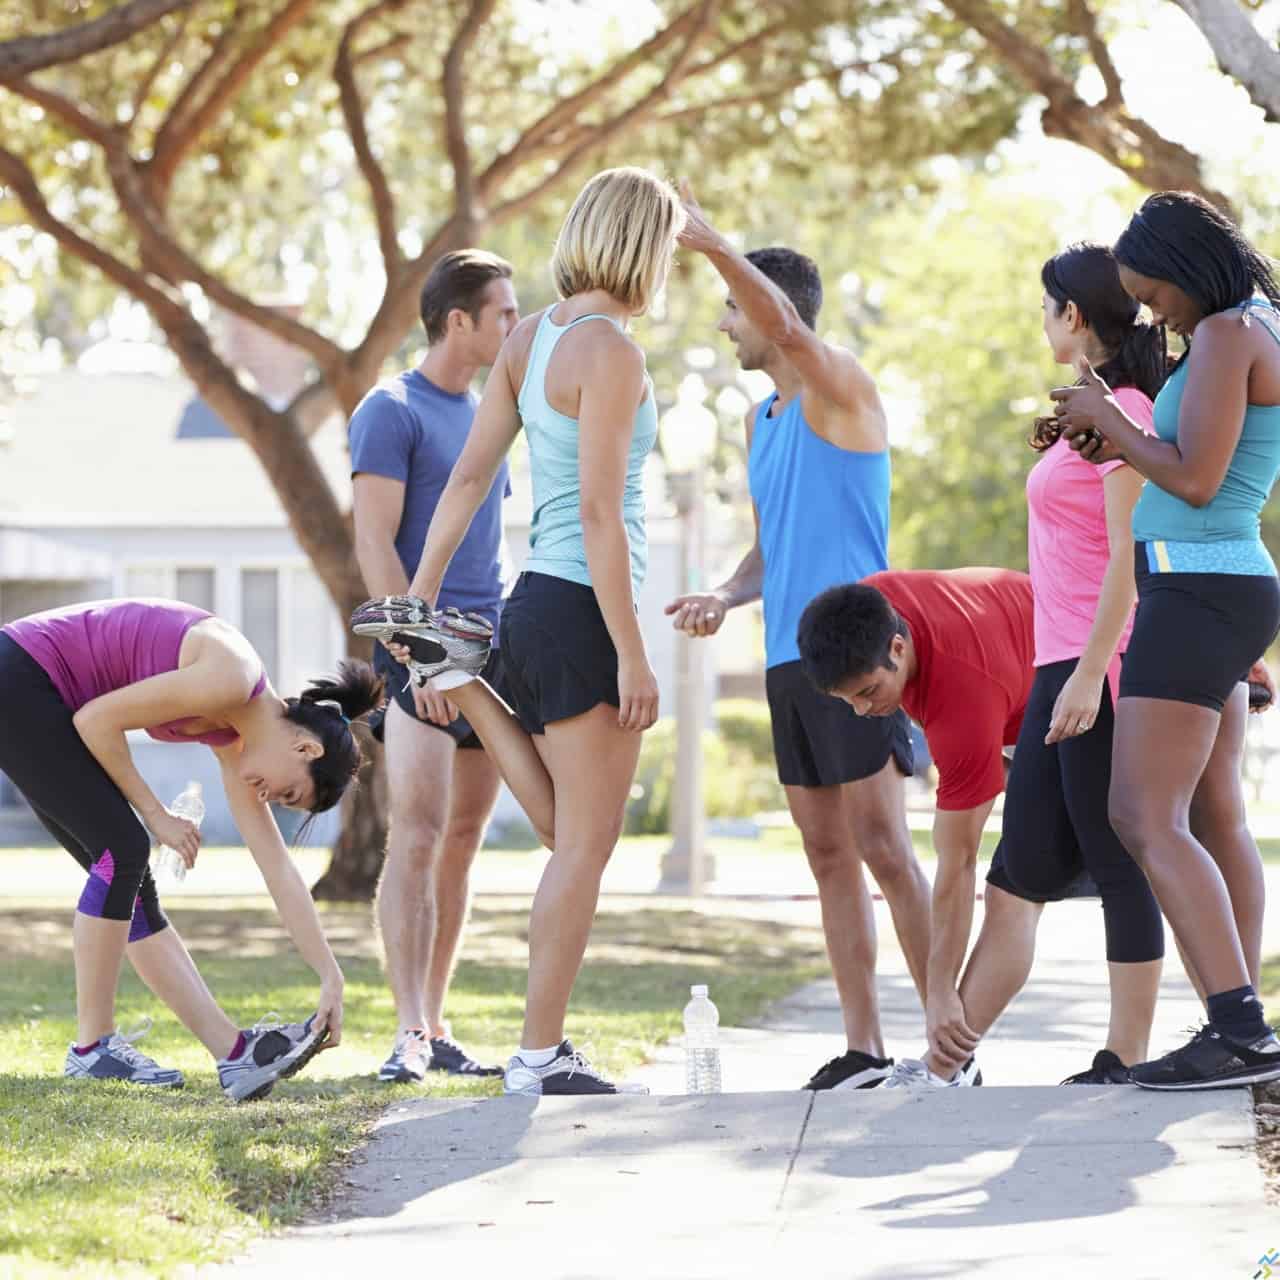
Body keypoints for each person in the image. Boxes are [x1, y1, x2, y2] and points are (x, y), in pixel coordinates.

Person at [352, 166, 685, 1096]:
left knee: (561, 830)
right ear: (643, 249)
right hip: (582, 610)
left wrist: (419, 606)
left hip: (530, 607)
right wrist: (632, 650)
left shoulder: (530, 339)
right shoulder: (612, 353)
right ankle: (538, 1055)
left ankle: (464, 681)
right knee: (584, 847)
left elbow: (466, 482)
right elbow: (600, 516)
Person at [661, 186, 932, 1092]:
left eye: (734, 307)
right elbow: (775, 539)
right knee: (828, 859)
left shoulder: (840, 391)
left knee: (886, 851)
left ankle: (948, 1047)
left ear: (770, 311)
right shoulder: (761, 420)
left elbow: (791, 334)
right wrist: (727, 594)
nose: (729, 325)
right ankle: (866, 1048)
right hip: (789, 660)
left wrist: (712, 243)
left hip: (859, 656)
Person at [881, 244, 1170, 1090]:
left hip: (1098, 670)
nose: (1041, 323)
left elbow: (1128, 556)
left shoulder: (1127, 410)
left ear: (1072, 315)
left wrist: (1087, 676)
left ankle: (1127, 1060)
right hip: (1058, 665)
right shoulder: (1096, 406)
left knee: (1121, 865)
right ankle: (945, 1066)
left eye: (1047, 308)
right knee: (1018, 877)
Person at [1052, 191, 1280, 1090]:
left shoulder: (1229, 334)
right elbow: (1193, 466)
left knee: (1142, 814)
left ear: (1189, 268)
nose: (1153, 314)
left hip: (1203, 586)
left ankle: (1241, 1031)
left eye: (1156, 294)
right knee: (1201, 813)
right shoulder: (1245, 327)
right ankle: (1237, 1024)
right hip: (1205, 584)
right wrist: (1117, 438)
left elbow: (1196, 480)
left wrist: (1114, 423)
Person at [0, 597, 382, 1100]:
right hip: (24, 676)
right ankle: (92, 1049)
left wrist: (330, 975)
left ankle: (233, 1055)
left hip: (35, 691)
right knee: (124, 850)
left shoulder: (234, 731)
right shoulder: (231, 676)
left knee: (128, 877)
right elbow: (96, 721)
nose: (270, 799)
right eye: (289, 793)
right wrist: (157, 815)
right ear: (306, 749)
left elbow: (278, 869)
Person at [349, 248, 520, 1084]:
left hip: (491, 649)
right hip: (421, 649)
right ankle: (407, 1031)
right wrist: (413, 656)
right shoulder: (390, 409)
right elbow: (373, 540)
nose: (515, 327)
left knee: (463, 837)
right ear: (460, 321)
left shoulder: (495, 410)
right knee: (414, 834)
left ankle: (437, 1021)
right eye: (505, 314)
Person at [797, 568, 1037, 1087]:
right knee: (1020, 891)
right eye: (848, 701)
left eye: (867, 691)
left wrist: (940, 989)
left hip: (1088, 693)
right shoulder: (869, 605)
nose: (862, 711)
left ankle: (946, 1069)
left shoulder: (962, 696)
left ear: (899, 648)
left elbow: (959, 861)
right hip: (1025, 673)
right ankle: (947, 1068)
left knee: (1017, 892)